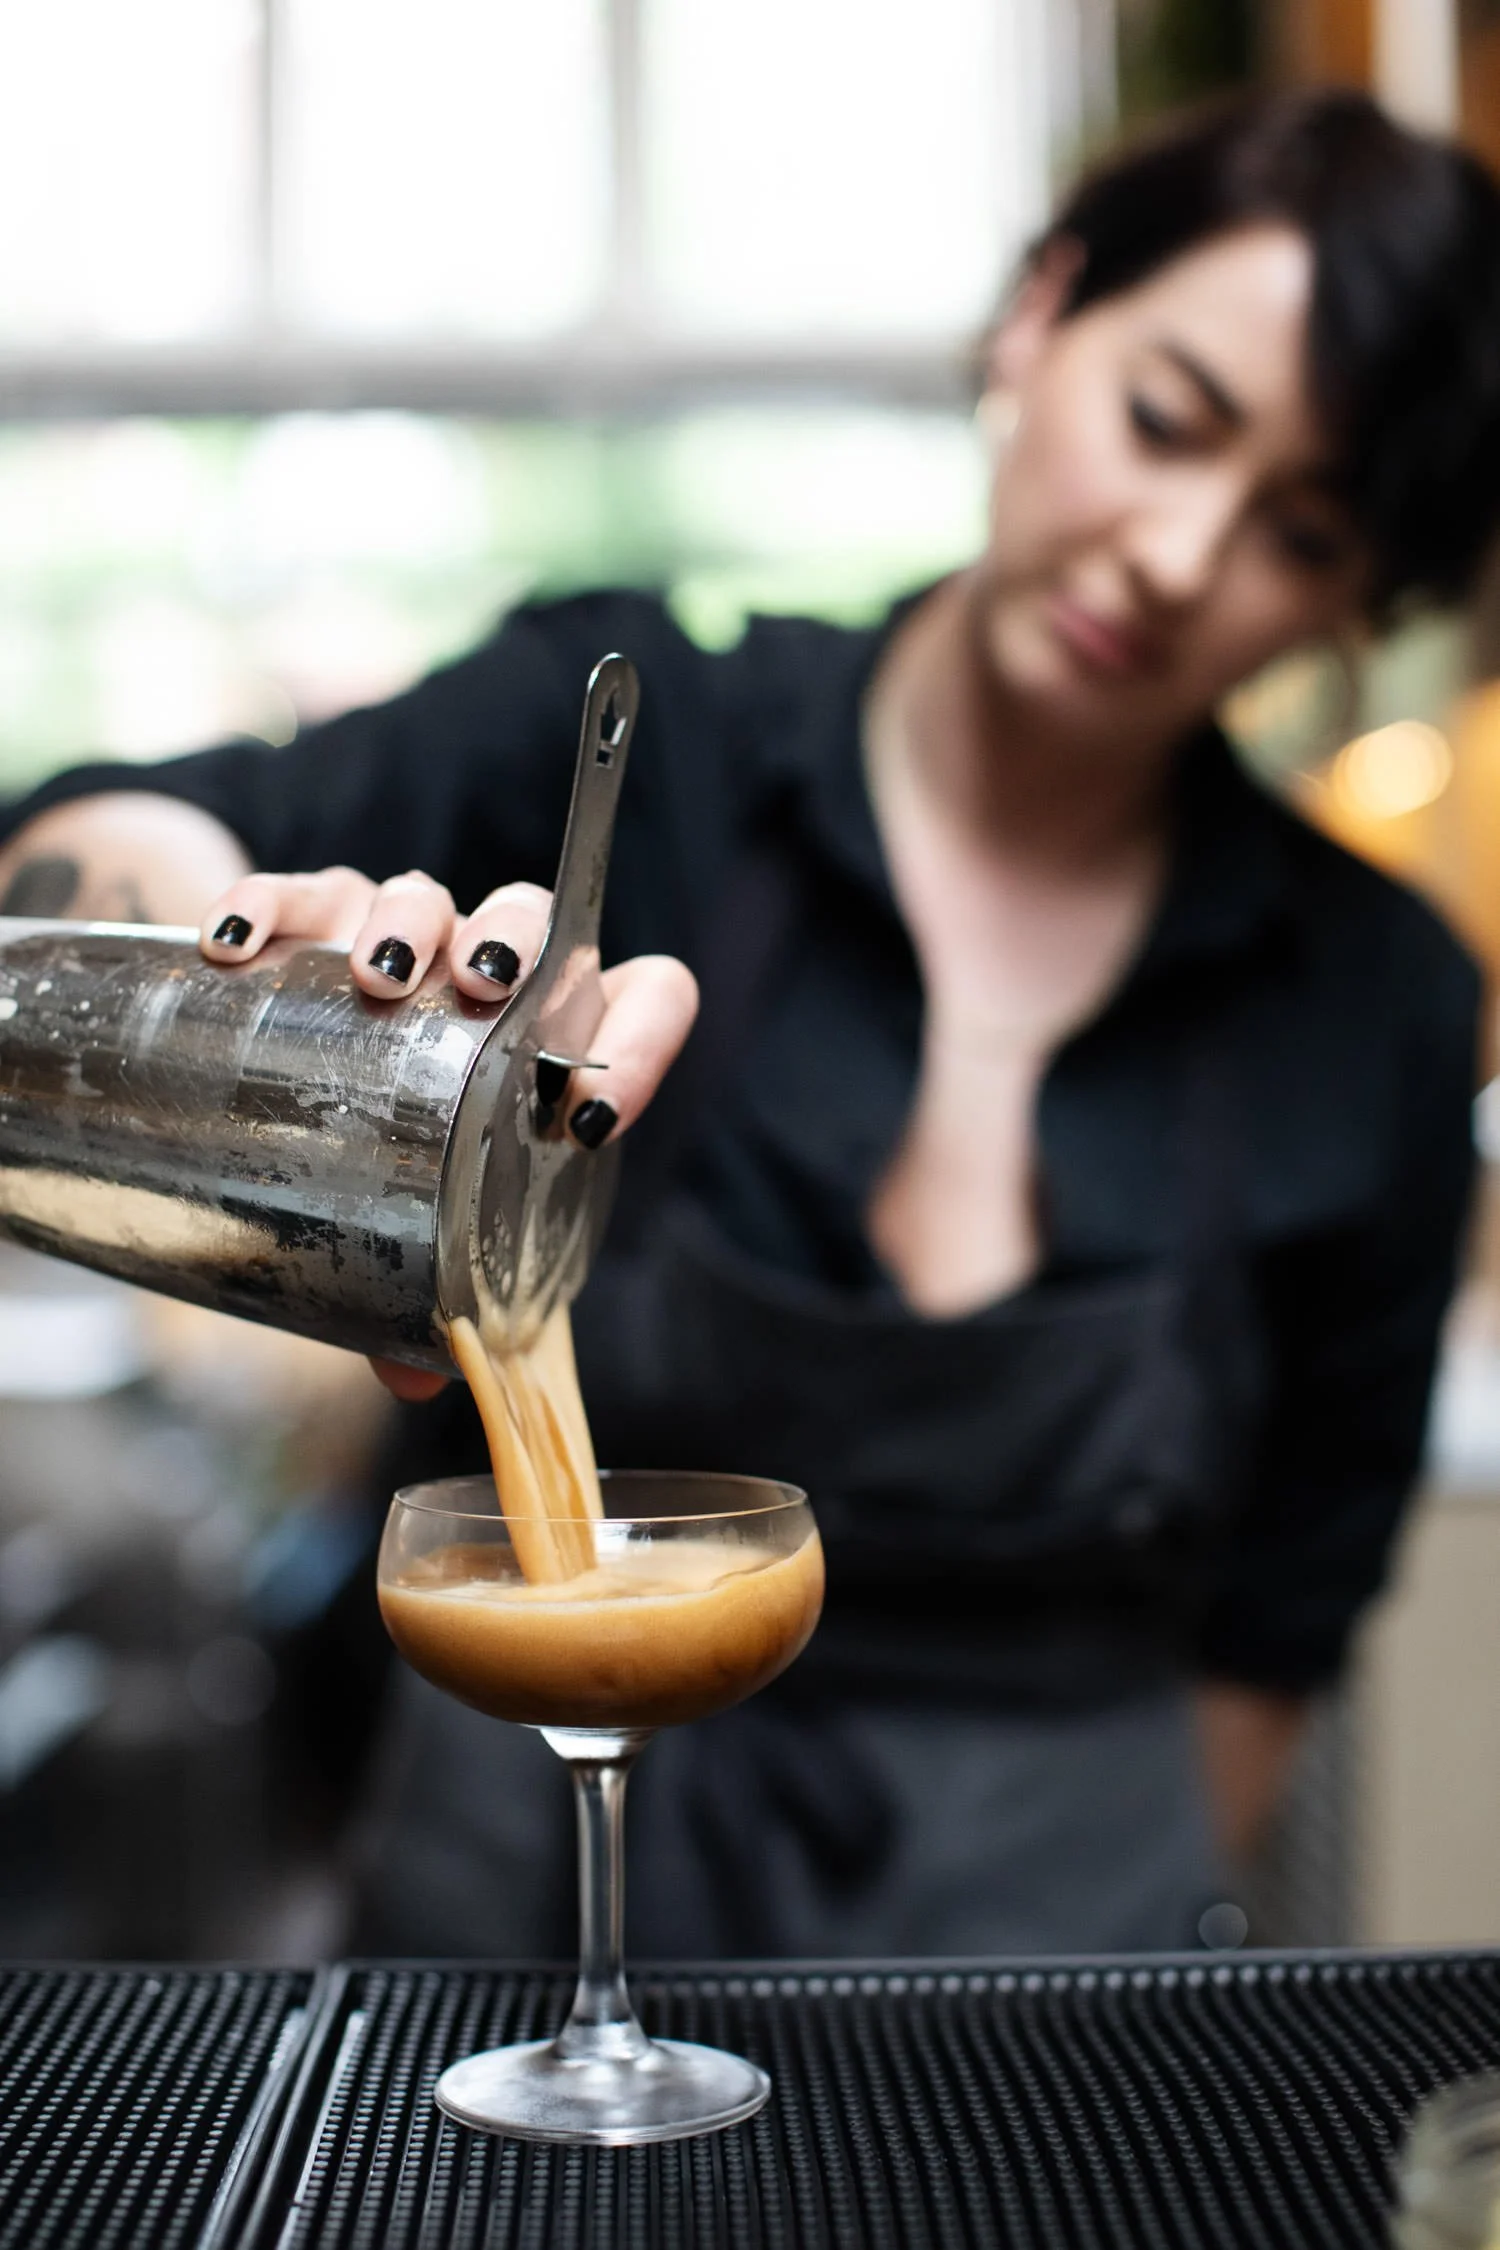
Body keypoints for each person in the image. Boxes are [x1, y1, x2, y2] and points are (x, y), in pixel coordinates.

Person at [2, 88, 1497, 1957]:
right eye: (1167, 419)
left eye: (1301, 528)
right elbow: (86, 835)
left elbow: (1278, 1623)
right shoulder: (631, 756)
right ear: (1039, 317)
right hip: (517, 1943)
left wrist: (1134, 1967)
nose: (1182, 554)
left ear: (1361, 597)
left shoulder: (1377, 999)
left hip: (1050, 1978)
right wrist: (226, 947)